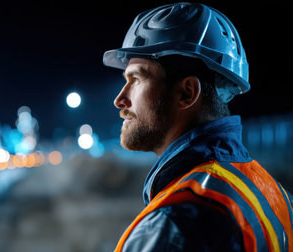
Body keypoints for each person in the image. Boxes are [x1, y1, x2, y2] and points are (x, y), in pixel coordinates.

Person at [102, 2, 293, 252]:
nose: (120, 100)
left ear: (186, 93)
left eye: (136, 79)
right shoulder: (272, 192)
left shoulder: (176, 223)